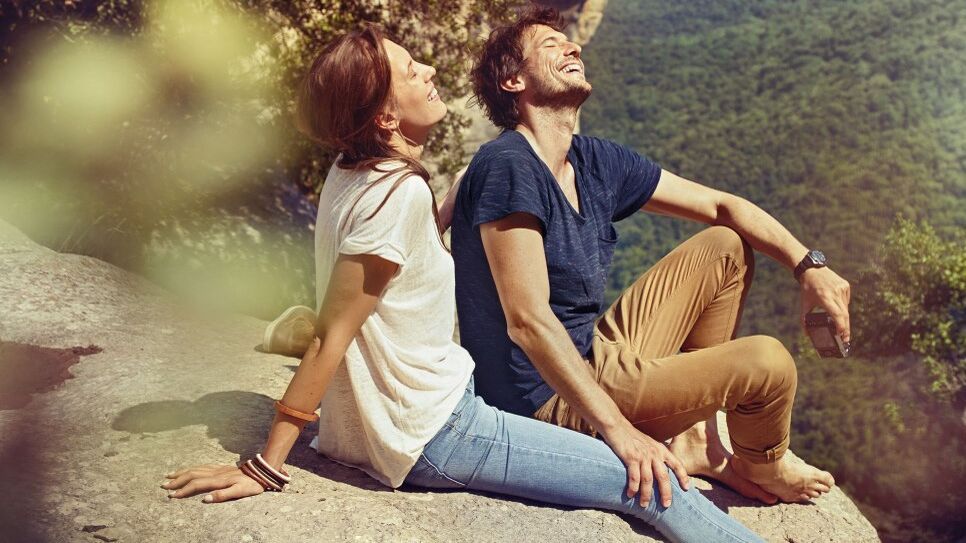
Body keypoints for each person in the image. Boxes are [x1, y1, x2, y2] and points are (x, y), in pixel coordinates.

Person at [162, 24, 766, 543]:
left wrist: (454, 200)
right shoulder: (395, 196)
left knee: (646, 468)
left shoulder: (353, 174)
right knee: (648, 482)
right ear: (385, 115)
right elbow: (331, 336)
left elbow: (394, 259)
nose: (427, 69)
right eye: (408, 70)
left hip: (400, 425)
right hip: (439, 433)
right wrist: (268, 464)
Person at [449, 7, 843, 504]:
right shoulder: (508, 165)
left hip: (590, 351)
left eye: (568, 41)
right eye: (550, 45)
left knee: (725, 246)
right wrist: (620, 433)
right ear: (513, 81)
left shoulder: (590, 160)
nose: (573, 48)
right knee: (768, 363)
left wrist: (809, 266)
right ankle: (760, 465)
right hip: (546, 398)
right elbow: (527, 322)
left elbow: (724, 206)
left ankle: (696, 436)